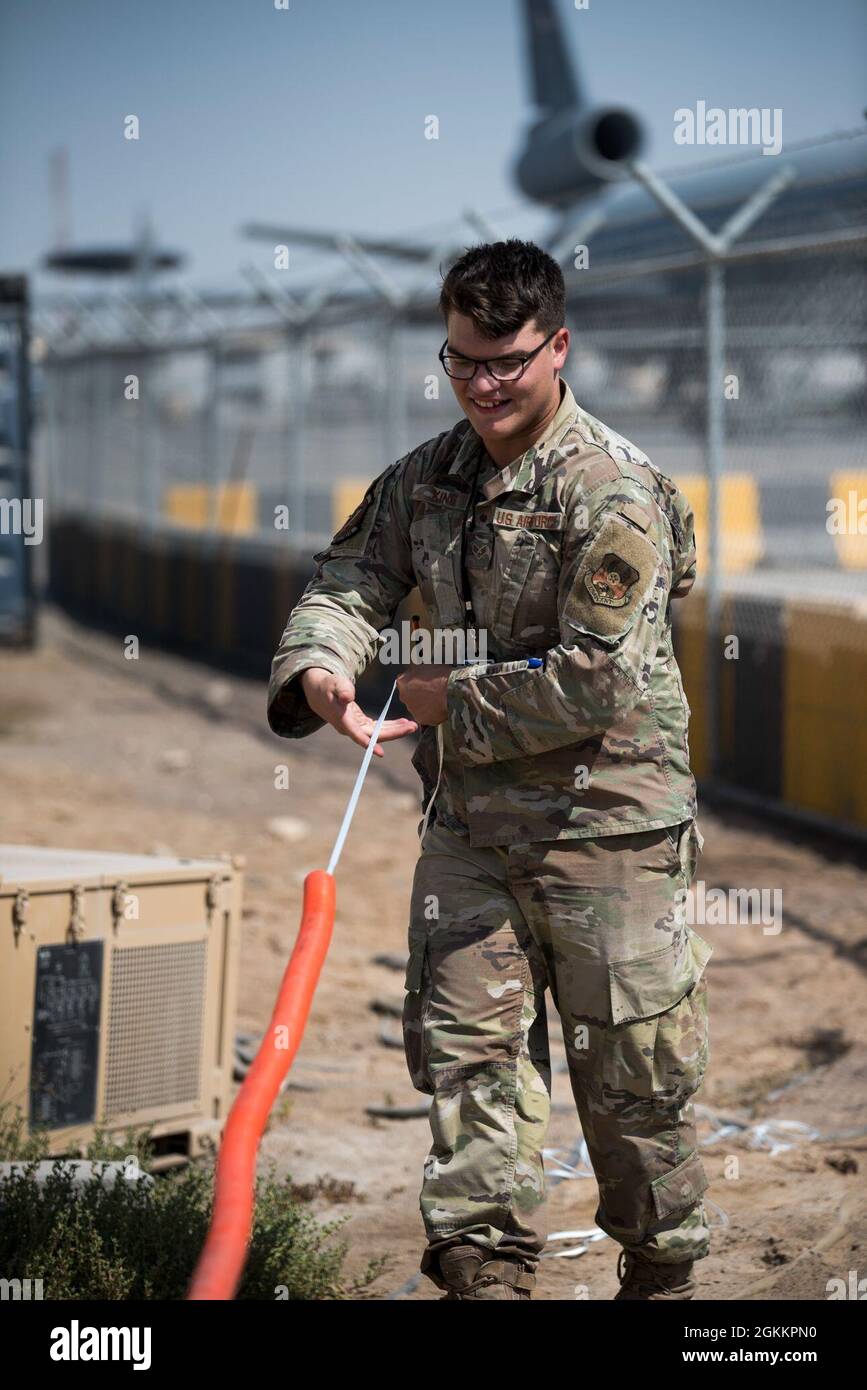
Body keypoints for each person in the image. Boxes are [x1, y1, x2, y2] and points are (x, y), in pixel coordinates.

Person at [267, 238, 713, 1301]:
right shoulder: (431, 477)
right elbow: (349, 580)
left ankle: (663, 1280)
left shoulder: (614, 490)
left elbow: (598, 678)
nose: (482, 383)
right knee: (469, 1068)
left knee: (634, 1088)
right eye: (462, 359)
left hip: (609, 832)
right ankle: (485, 1270)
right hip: (470, 832)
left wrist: (442, 702)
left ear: (558, 346)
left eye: (506, 360)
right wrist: (323, 668)